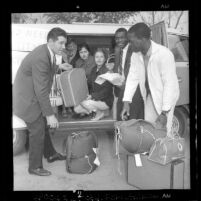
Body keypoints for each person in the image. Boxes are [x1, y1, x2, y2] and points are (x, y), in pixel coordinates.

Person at [13, 27, 71, 176]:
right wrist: (50, 114)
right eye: (61, 43)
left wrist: (59, 66)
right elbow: (41, 90)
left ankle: (50, 154)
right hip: (28, 100)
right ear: (50, 41)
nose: (63, 47)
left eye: (65, 43)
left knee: (43, 127)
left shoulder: (47, 52)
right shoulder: (41, 56)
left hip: (30, 95)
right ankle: (34, 167)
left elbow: (44, 70)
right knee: (37, 131)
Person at [121, 23, 180, 136]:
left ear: (143, 39)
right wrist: (126, 102)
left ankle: (165, 150)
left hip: (166, 96)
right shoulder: (135, 55)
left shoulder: (164, 54)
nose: (130, 44)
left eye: (132, 41)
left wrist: (165, 113)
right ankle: (152, 151)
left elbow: (169, 84)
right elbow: (132, 78)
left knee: (164, 130)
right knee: (149, 128)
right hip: (149, 95)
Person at [112, 28, 144, 121]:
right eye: (117, 38)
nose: (119, 40)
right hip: (122, 88)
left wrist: (125, 84)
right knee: (120, 117)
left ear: (128, 38)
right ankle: (122, 134)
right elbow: (120, 68)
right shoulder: (118, 50)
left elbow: (136, 74)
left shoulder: (134, 50)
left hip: (134, 91)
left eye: (122, 37)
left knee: (132, 119)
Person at [74, 48, 114, 121]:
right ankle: (102, 112)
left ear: (105, 58)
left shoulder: (107, 71)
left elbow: (106, 91)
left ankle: (99, 112)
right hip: (95, 99)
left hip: (105, 101)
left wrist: (92, 96)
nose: (99, 59)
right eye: (97, 57)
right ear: (94, 58)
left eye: (101, 57)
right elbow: (88, 83)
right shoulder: (94, 69)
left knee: (86, 103)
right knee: (76, 109)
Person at [60, 38, 80, 117]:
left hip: (73, 75)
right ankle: (64, 109)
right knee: (64, 92)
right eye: (68, 46)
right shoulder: (61, 53)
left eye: (72, 46)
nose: (70, 48)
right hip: (63, 75)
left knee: (73, 91)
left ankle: (70, 108)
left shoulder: (77, 53)